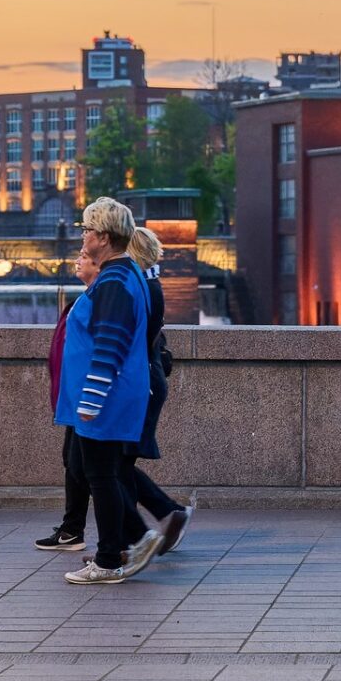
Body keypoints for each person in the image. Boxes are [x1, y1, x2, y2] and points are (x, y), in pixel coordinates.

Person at [55, 196, 159, 586]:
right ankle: (129, 543)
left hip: (107, 397)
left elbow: (111, 342)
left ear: (103, 235)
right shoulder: (123, 273)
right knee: (95, 470)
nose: (82, 236)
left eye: (86, 229)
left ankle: (110, 559)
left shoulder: (114, 281)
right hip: (113, 393)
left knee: (100, 473)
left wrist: (91, 399)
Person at [126, 227, 192, 557]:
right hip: (149, 379)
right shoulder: (149, 284)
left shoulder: (141, 288)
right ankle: (157, 522)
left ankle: (148, 530)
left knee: (112, 464)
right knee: (113, 464)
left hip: (142, 381)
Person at [35, 248, 100, 554]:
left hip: (89, 398)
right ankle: (72, 529)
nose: (77, 259)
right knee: (75, 463)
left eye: (84, 256)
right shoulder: (85, 298)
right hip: (75, 398)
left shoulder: (100, 298)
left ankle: (137, 532)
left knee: (93, 467)